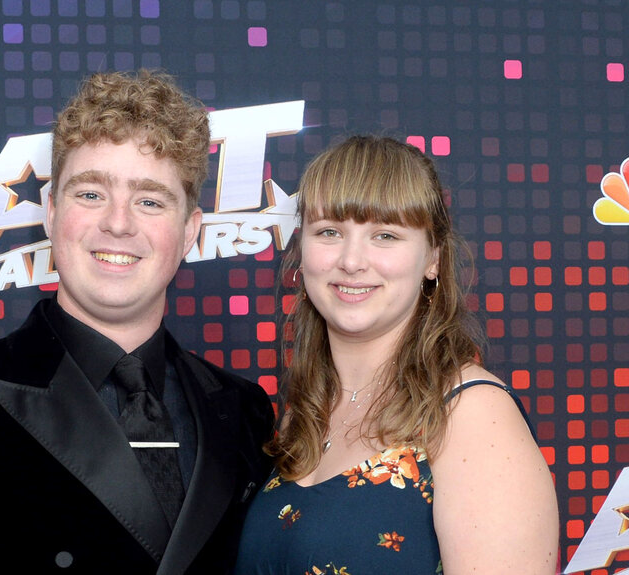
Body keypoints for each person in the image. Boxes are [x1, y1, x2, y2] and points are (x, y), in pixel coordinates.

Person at [0, 70, 275, 574]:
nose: (118, 223)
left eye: (149, 201)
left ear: (189, 229)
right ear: (52, 213)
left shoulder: (247, 412)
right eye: (91, 194)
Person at [234, 135, 559, 574]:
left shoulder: (471, 414)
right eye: (329, 231)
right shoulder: (304, 415)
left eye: (385, 236)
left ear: (433, 261)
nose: (351, 260)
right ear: (302, 250)